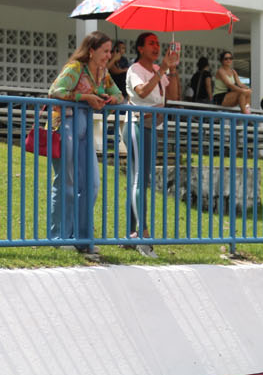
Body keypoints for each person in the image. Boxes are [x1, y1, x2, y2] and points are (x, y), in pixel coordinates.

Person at [46, 31, 121, 252]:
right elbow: (55, 91)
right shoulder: (75, 68)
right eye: (105, 51)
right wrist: (85, 97)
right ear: (91, 50)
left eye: (110, 51)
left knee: (92, 184)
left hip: (86, 130)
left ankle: (83, 237)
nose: (109, 55)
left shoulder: (103, 73)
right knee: (66, 183)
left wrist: (111, 98)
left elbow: (119, 94)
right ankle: (60, 237)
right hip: (66, 126)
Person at [123, 31, 179, 256]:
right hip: (136, 124)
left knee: (141, 180)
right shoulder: (135, 70)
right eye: (151, 43)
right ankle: (143, 235)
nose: (156, 47)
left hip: (151, 128)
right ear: (140, 48)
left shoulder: (159, 70)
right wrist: (163, 70)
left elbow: (172, 97)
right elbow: (143, 92)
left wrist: (172, 70)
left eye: (157, 43)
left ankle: (129, 234)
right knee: (139, 179)